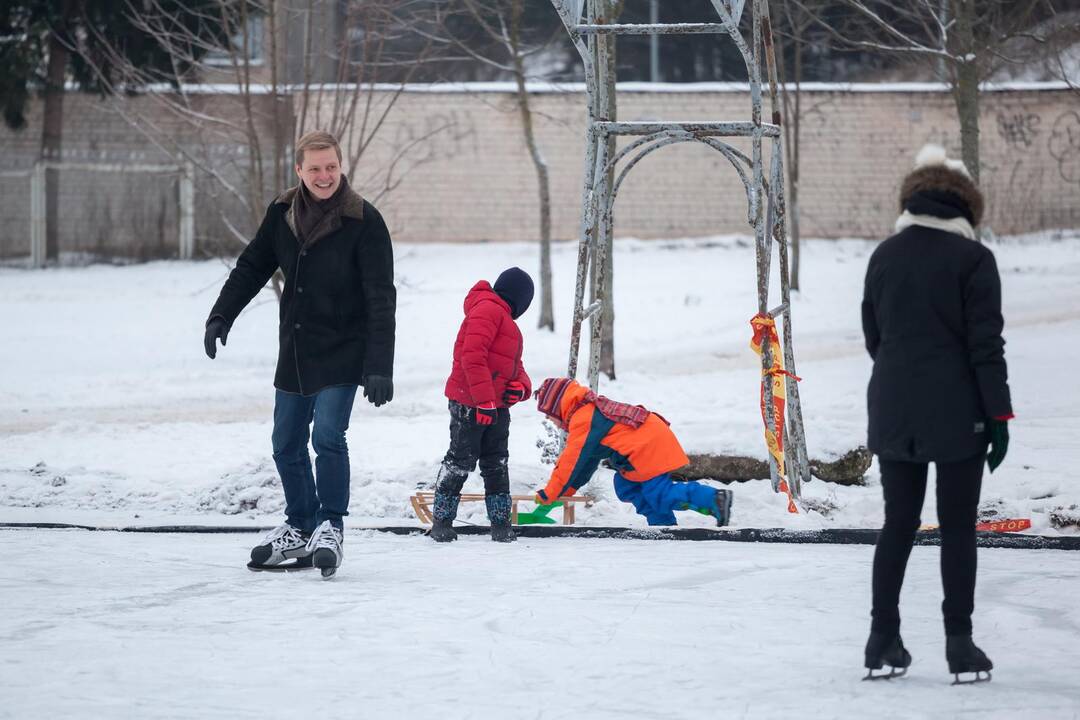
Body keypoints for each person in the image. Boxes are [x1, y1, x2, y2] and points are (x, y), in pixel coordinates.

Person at [204, 130, 396, 578]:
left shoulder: (364, 221)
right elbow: (253, 265)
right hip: (294, 350)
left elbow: (380, 298)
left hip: (344, 350)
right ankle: (300, 524)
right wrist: (221, 316)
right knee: (285, 443)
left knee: (327, 436)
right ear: (299, 171)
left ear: (340, 165)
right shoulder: (282, 213)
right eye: (314, 168)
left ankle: (330, 525)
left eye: (330, 166)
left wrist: (379, 366)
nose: (324, 176)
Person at [861, 144, 1012, 682]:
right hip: (958, 414)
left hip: (893, 408)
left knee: (897, 524)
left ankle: (882, 638)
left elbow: (874, 338)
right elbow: (985, 347)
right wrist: (999, 417)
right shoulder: (974, 260)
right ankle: (960, 644)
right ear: (967, 208)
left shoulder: (884, 255)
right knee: (957, 529)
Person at [532, 377, 733, 527]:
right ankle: (662, 524)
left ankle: (714, 499)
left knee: (658, 492)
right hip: (644, 446)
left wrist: (551, 492)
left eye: (549, 415)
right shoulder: (586, 413)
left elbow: (571, 461)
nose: (551, 421)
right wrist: (563, 492)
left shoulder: (584, 417)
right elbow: (584, 465)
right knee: (627, 487)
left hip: (648, 446)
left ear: (557, 407)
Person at [428, 267, 534, 543]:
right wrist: (484, 400)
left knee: (496, 462)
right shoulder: (487, 310)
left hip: (495, 406)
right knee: (460, 460)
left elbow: (515, 367)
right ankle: (441, 520)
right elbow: (471, 356)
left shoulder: (507, 323)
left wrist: (521, 388)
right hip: (470, 402)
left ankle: (500, 525)